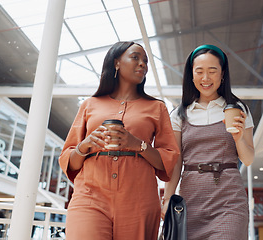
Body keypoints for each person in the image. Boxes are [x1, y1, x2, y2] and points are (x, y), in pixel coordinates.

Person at [58, 41, 179, 240]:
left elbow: (168, 161)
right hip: (90, 196)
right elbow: (68, 160)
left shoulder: (157, 108)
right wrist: (84, 146)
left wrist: (137, 145)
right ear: (116, 63)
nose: (142, 64)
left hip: (139, 200)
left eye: (146, 61)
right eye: (135, 57)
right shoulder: (90, 104)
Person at [162, 44, 255, 240]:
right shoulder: (179, 114)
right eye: (200, 72)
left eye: (212, 71)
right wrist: (168, 197)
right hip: (191, 200)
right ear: (192, 76)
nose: (206, 78)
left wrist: (238, 138)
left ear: (222, 75)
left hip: (229, 200)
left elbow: (248, 159)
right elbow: (177, 162)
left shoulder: (238, 109)